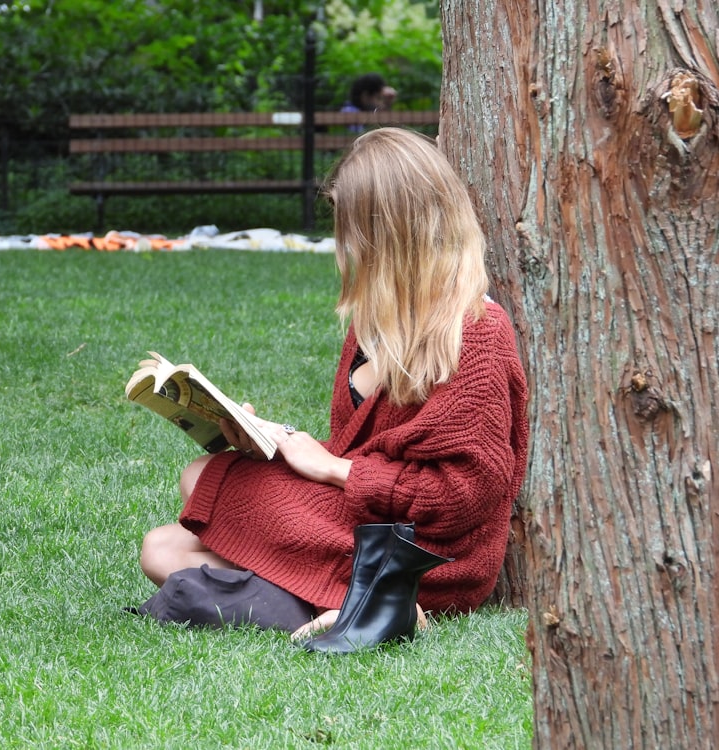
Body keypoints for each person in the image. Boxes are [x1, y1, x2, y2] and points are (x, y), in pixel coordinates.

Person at [138, 128, 529, 646]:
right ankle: (356, 607)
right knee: (160, 550)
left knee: (199, 484)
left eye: (349, 229)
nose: (339, 244)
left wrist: (330, 467)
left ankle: (381, 602)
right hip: (361, 518)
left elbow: (466, 497)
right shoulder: (373, 323)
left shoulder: (478, 334)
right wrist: (259, 438)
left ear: (388, 234)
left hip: (420, 550)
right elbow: (358, 454)